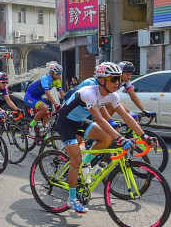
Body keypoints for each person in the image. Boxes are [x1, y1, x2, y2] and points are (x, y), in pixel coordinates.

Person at [56, 62, 153, 214]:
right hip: (65, 122)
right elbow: (100, 119)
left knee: (107, 139)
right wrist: (120, 138)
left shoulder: (112, 95)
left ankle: (85, 166)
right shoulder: (89, 92)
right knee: (76, 160)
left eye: (118, 79)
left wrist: (144, 135)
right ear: (102, 81)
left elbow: (126, 116)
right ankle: (72, 199)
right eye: (113, 79)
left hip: (80, 121)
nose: (117, 83)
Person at [25, 63, 65, 133]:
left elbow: (62, 93)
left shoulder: (57, 81)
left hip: (38, 97)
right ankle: (31, 126)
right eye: (58, 73)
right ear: (52, 73)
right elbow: (47, 92)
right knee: (44, 108)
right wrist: (55, 104)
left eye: (60, 73)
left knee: (47, 117)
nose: (59, 75)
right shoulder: (45, 78)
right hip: (30, 96)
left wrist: (68, 102)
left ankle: (42, 134)